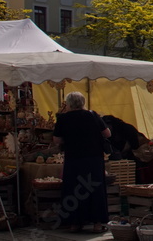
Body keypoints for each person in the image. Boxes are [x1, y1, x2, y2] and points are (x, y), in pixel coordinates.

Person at [52, 92, 110, 233]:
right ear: (83, 102)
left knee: (73, 189)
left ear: (69, 104)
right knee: (95, 190)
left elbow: (57, 140)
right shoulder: (92, 115)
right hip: (93, 159)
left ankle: (75, 223)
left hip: (74, 159)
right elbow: (107, 133)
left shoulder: (63, 118)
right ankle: (97, 223)